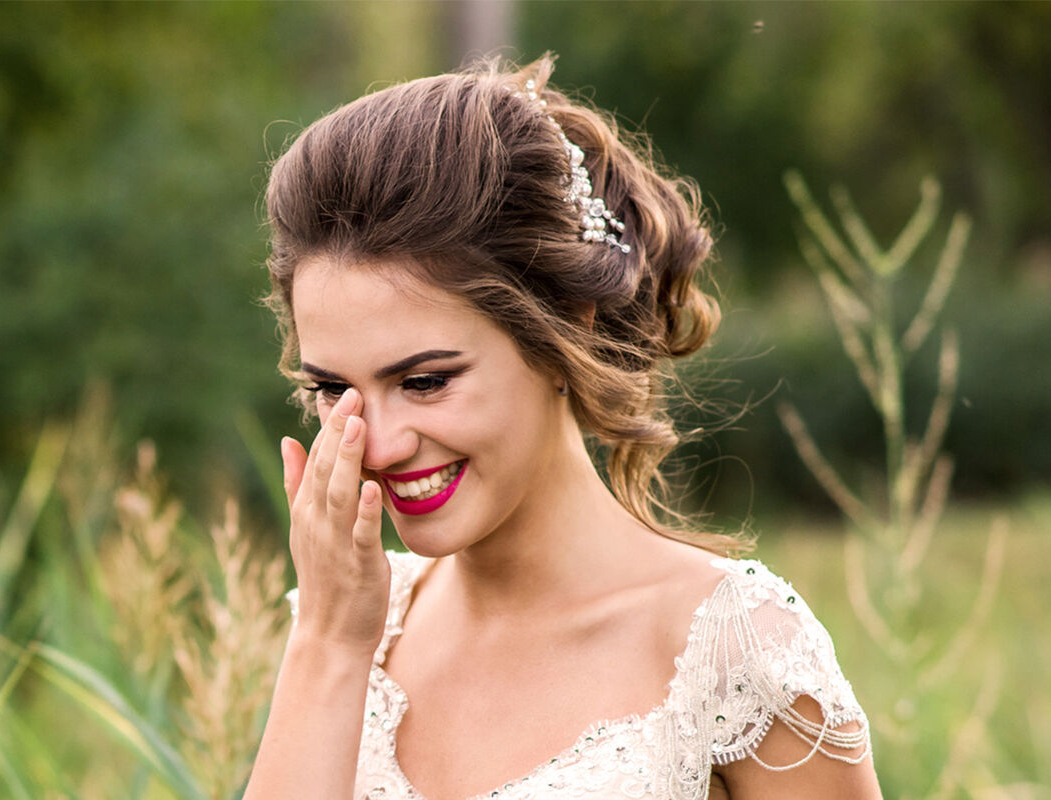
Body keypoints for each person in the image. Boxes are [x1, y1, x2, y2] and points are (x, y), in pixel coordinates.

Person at [245, 56, 881, 800]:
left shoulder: (738, 653)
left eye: (425, 381)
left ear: (562, 327)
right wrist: (327, 644)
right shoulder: (349, 632)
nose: (378, 446)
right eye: (333, 389)